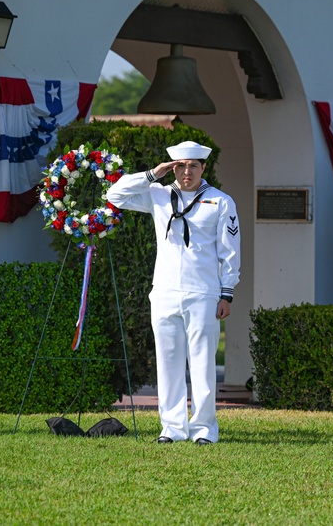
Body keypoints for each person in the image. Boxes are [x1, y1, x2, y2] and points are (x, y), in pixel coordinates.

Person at [106, 140, 240, 445]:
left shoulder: (220, 201)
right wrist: (153, 174)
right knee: (168, 362)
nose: (186, 172)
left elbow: (230, 251)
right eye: (180, 166)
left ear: (204, 167)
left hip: (204, 291)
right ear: (173, 167)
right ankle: (172, 428)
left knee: (203, 362)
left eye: (193, 165)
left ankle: (204, 429)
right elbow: (114, 195)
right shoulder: (159, 195)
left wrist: (227, 292)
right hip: (164, 290)